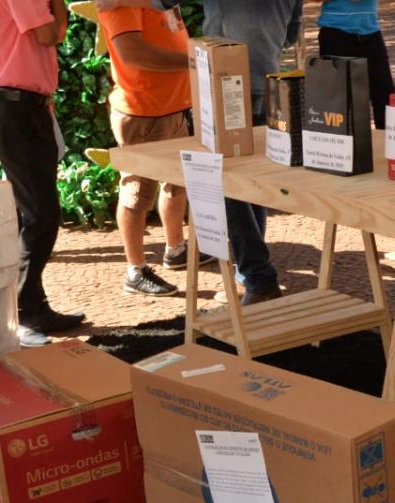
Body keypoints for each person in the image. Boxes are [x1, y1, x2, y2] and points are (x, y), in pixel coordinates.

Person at [98, 0, 304, 305]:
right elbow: (290, 35)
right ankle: (248, 275)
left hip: (227, 84)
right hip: (264, 80)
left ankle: (258, 278)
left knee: (226, 184)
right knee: (249, 183)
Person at [0, 0, 86, 347]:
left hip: (27, 109)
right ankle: (22, 312)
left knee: (35, 214)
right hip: (16, 111)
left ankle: (34, 307)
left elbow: (55, 33)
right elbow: (48, 34)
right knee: (40, 215)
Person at [100, 3, 207, 297]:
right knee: (137, 192)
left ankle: (176, 249)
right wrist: (193, 61)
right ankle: (135, 271)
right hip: (143, 113)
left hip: (174, 107)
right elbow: (133, 53)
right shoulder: (120, 3)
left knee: (177, 182)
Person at [316, 0, 395, 129]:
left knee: (384, 93)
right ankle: (341, 140)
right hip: (335, 34)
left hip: (371, 34)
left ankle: (384, 139)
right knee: (337, 98)